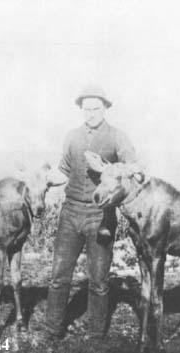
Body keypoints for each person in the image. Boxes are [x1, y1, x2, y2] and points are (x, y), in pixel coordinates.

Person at [44, 85, 137, 340]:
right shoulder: (71, 137)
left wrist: (117, 171)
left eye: (96, 108)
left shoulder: (118, 137)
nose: (91, 113)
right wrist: (41, 181)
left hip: (101, 216)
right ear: (81, 110)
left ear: (106, 108)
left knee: (98, 279)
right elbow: (62, 171)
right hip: (70, 212)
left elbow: (132, 166)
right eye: (86, 109)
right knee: (59, 276)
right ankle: (52, 330)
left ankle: (96, 334)